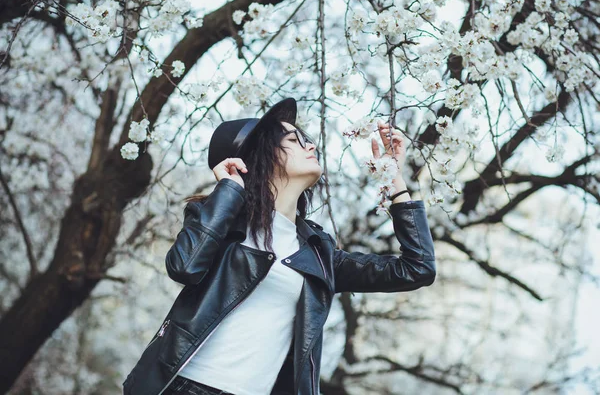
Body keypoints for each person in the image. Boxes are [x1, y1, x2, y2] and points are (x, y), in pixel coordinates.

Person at [122, 98, 436, 395]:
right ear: (261, 157)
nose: (311, 145)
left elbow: (417, 268)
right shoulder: (223, 222)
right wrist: (229, 189)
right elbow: (184, 266)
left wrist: (394, 180)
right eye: (293, 141)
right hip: (187, 384)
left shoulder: (317, 254)